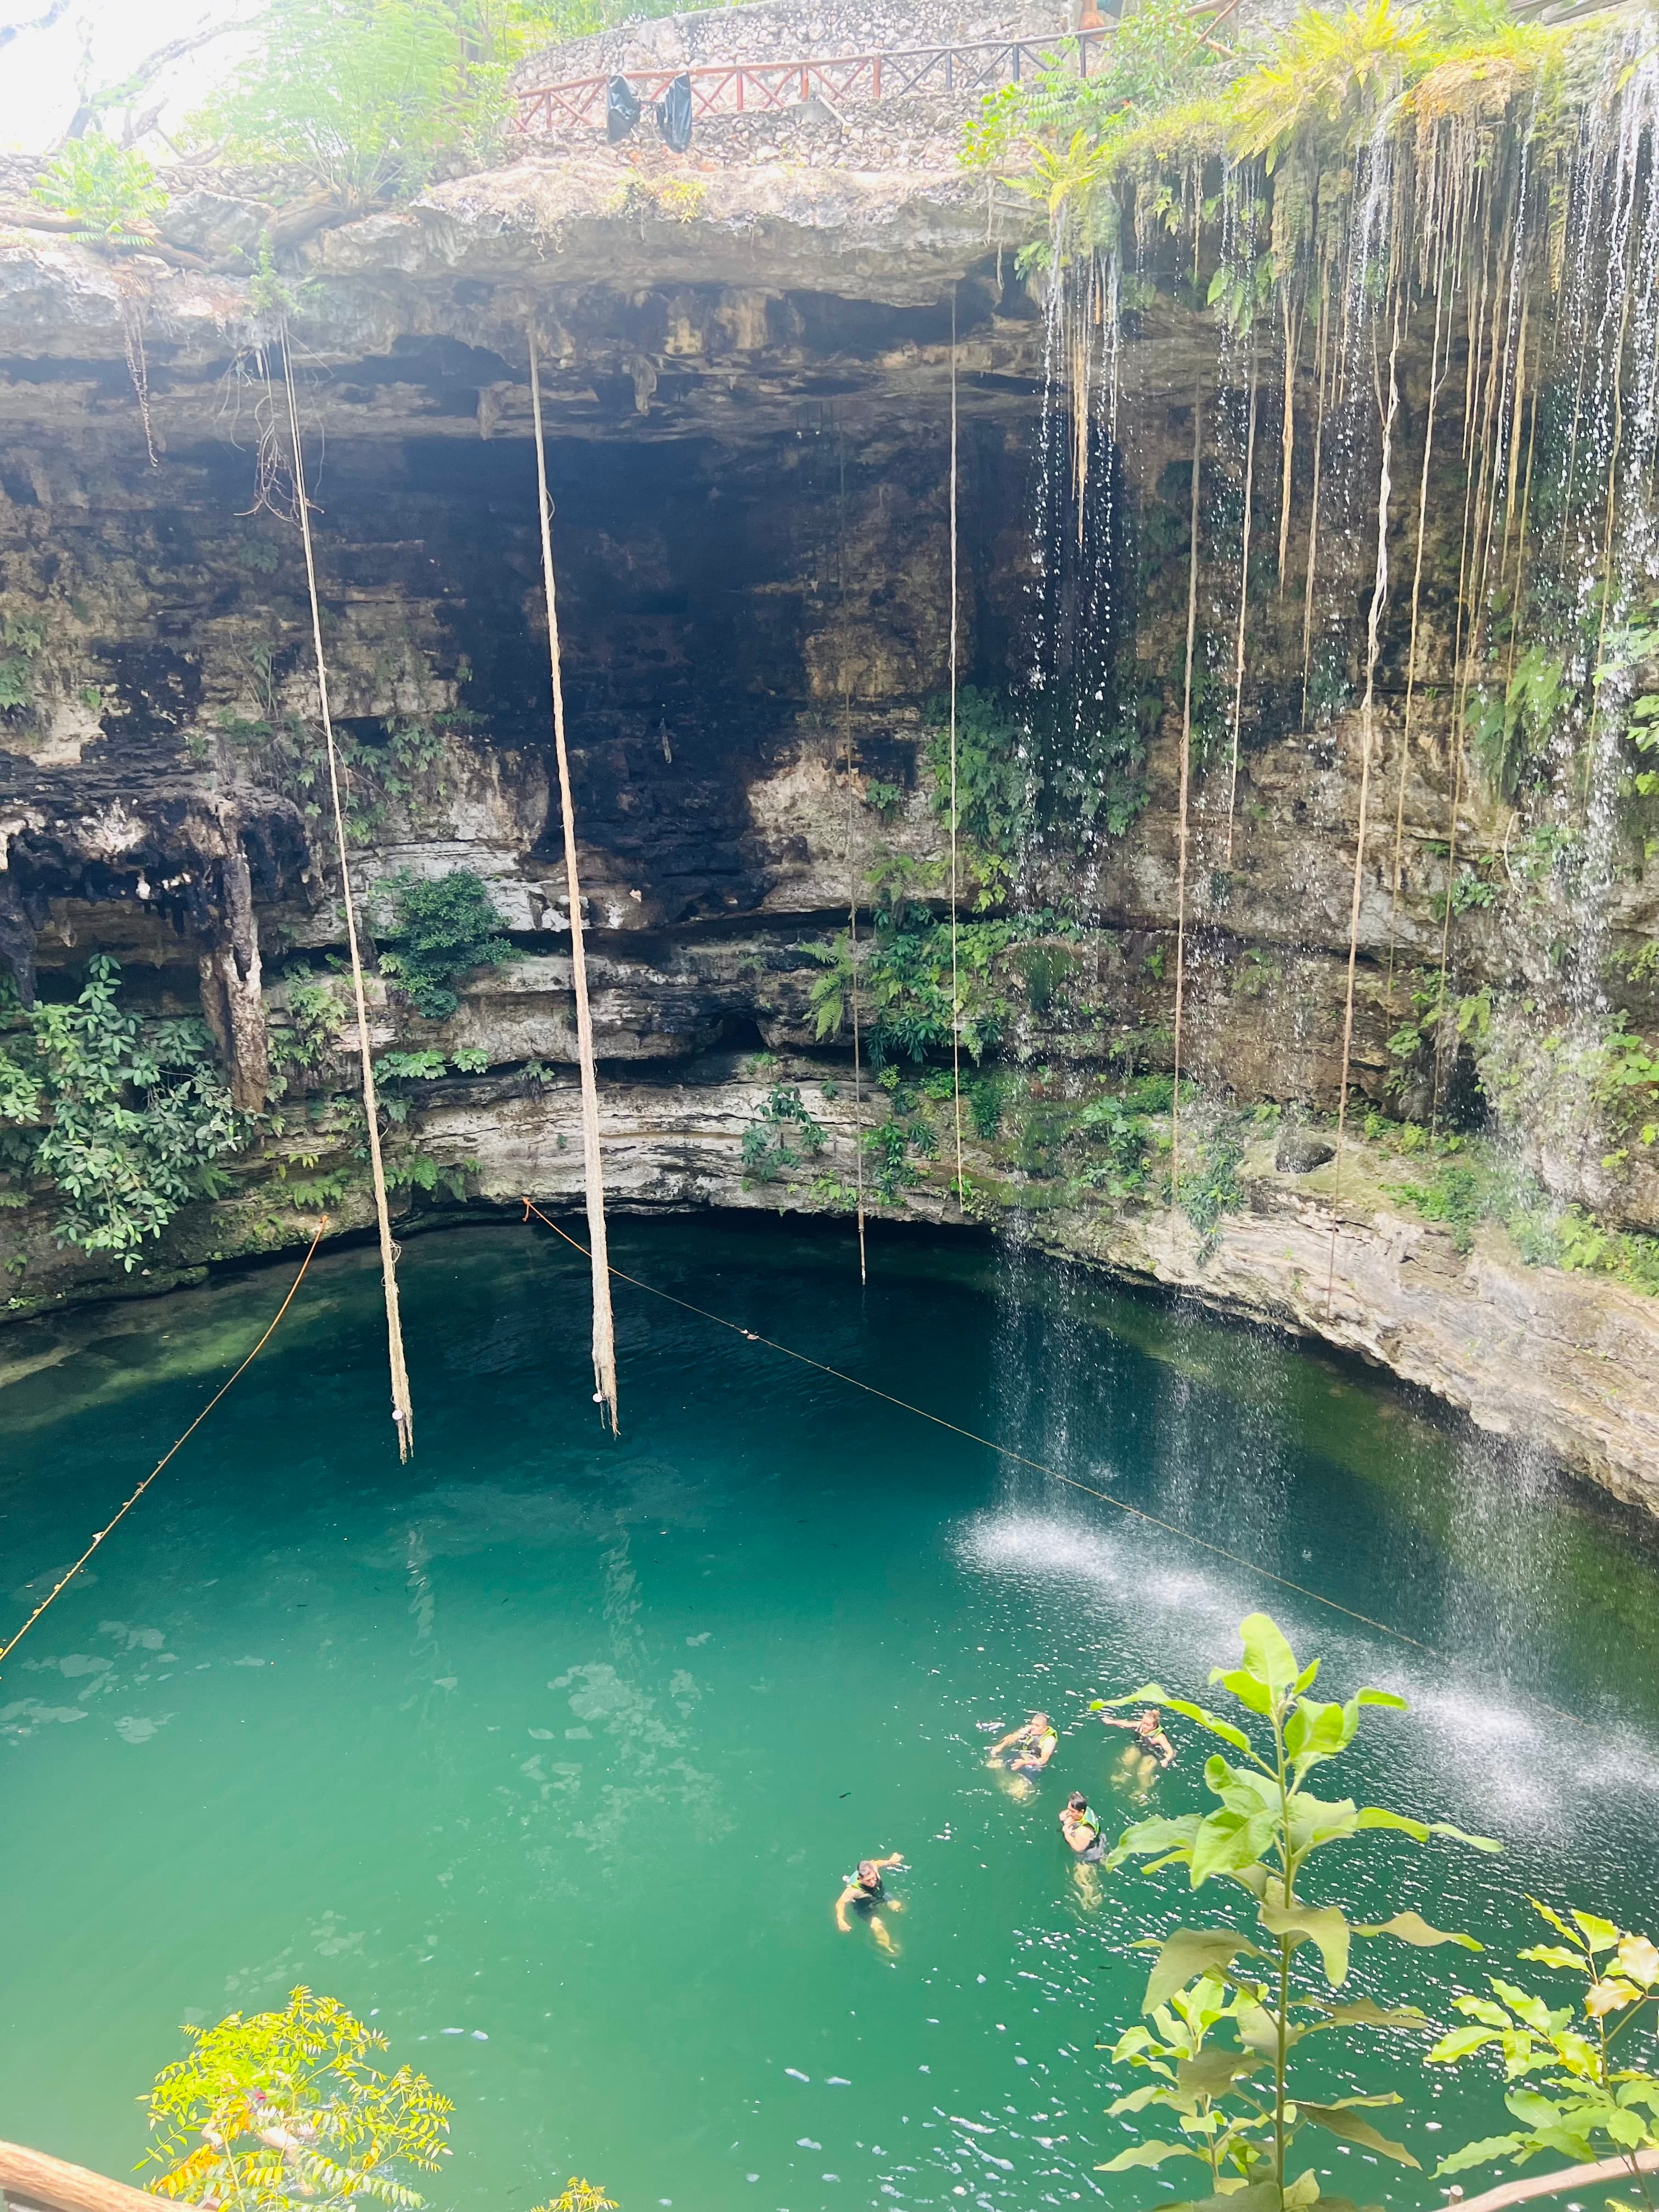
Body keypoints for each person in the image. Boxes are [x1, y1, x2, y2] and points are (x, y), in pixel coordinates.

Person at [835, 1853, 906, 1955]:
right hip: (864, 1905)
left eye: (874, 1878)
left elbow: (877, 1863)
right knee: (877, 1925)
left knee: (898, 1906)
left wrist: (890, 1861)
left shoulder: (874, 1869)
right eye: (868, 1880)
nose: (872, 1882)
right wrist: (840, 1920)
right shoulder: (853, 1890)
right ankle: (887, 1946)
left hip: (879, 1895)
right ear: (860, 1879)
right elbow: (840, 1903)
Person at [1099, 1705, 1176, 1768]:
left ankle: (1143, 1786)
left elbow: (1170, 1752)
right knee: (1126, 1762)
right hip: (1140, 1748)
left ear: (1154, 1726)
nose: (1145, 1726)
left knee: (1143, 1773)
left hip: (1152, 1755)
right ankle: (1123, 1778)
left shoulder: (1159, 1737)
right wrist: (1113, 1722)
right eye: (1144, 1723)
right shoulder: (1140, 1725)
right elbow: (1127, 1724)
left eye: (1148, 1725)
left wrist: (1166, 1760)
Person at [988, 1712, 1059, 1774]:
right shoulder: (1030, 1729)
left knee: (1022, 1783)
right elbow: (1013, 1737)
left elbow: (1043, 1761)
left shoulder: (1049, 1740)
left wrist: (1025, 1763)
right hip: (1023, 1754)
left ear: (1045, 1728)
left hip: (1034, 1762)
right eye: (1033, 1724)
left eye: (1037, 1726)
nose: (1033, 1727)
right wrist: (1000, 1746)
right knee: (991, 1765)